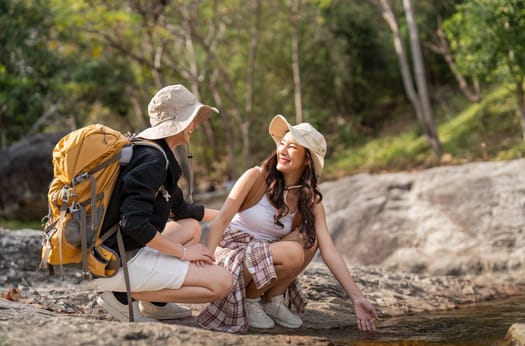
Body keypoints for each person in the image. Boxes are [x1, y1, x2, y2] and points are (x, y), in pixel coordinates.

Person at [197, 114, 377, 332]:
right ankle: (251, 301)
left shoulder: (309, 199)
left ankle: (271, 301)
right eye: (282, 143)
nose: (282, 150)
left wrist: (356, 298)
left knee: (310, 241)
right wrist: (206, 264)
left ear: (307, 159)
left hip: (264, 259)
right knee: (292, 252)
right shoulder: (255, 177)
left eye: (292, 147)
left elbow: (329, 249)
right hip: (234, 258)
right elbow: (221, 221)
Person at [94, 84, 233, 322]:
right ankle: (120, 296)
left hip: (120, 248)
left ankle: (156, 303)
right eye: (191, 118)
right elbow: (133, 223)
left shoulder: (153, 152)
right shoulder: (153, 160)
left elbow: (181, 210)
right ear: (175, 122)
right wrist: (184, 253)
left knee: (190, 226)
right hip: (118, 259)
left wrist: (228, 214)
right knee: (222, 283)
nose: (195, 125)